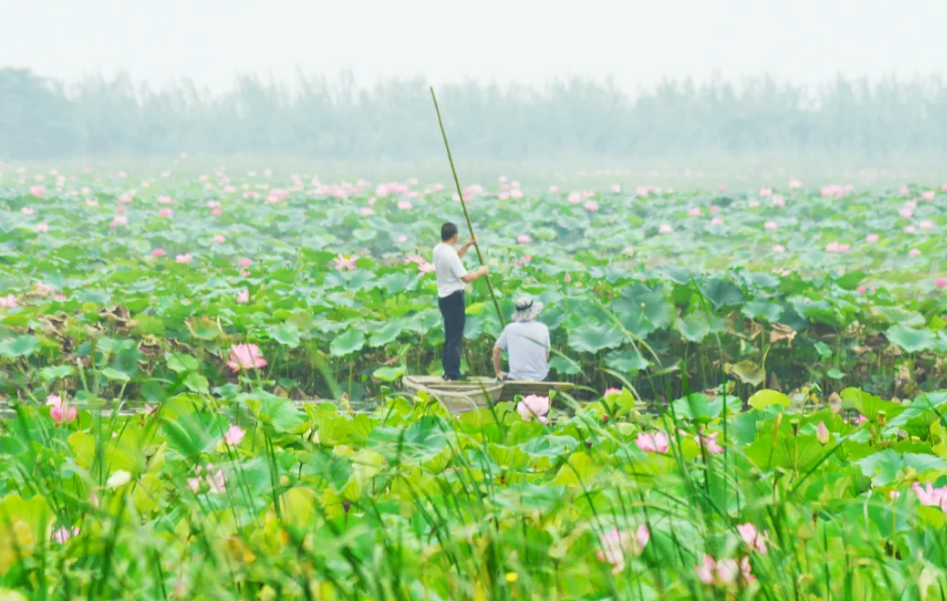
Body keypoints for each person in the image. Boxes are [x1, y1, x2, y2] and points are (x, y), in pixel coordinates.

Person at [434, 222, 489, 381]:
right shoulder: (449, 254)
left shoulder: (439, 249)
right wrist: (481, 272)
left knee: (450, 335)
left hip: (443, 298)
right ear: (455, 236)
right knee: (455, 337)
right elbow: (466, 278)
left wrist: (467, 245)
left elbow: (455, 257)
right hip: (454, 299)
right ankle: (453, 373)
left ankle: (447, 371)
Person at [493, 295, 550, 382]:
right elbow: (546, 354)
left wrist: (498, 372)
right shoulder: (543, 328)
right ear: (534, 312)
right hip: (541, 378)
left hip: (516, 378)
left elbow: (496, 350)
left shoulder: (510, 328)